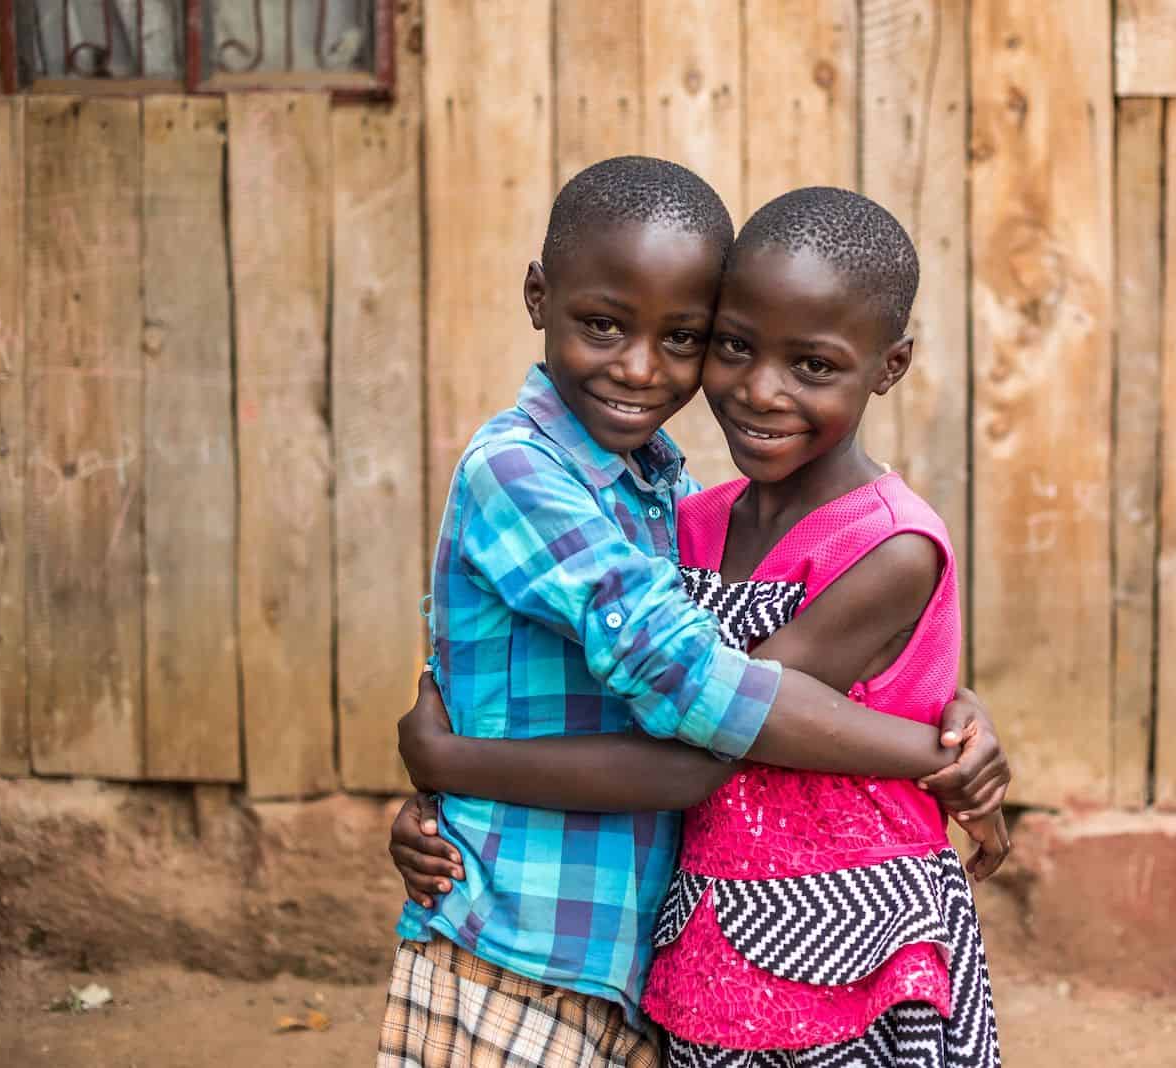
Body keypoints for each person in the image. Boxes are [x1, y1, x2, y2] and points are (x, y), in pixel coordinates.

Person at [388, 181, 1007, 1067]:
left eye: (678, 339)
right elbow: (695, 708)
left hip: (819, 932)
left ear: (889, 366)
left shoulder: (672, 492)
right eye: (733, 348)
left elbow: (746, 708)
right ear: (539, 300)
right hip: (552, 923)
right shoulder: (616, 495)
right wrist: (934, 754)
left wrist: (955, 717)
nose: (645, 369)